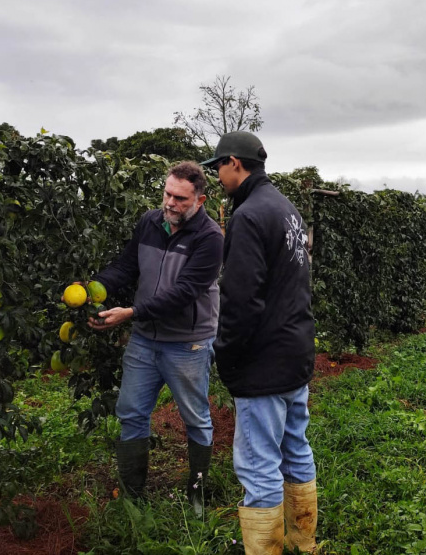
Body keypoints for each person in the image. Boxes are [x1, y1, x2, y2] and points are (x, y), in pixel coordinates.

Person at [202, 132, 318, 554]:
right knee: (295, 448)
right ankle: (303, 543)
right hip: (294, 351)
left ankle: (266, 549)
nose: (216, 174)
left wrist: (227, 355)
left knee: (259, 464)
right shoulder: (286, 209)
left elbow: (240, 300)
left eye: (218, 166)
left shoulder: (250, 216)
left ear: (235, 163)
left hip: (263, 361)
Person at [87, 161, 223, 516]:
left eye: (180, 198)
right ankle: (133, 497)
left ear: (200, 200)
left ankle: (196, 492)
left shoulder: (210, 238)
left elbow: (184, 292)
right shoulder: (149, 222)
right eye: (167, 194)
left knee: (194, 417)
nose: (170, 204)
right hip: (145, 339)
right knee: (131, 412)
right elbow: (126, 266)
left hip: (188, 342)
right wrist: (93, 289)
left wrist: (130, 313)